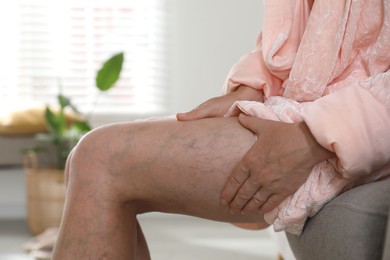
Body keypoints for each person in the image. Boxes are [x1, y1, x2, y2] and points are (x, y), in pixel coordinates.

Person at [52, 0, 390, 259]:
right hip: (305, 107)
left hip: (358, 127)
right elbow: (302, 38)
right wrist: (250, 88)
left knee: (99, 158)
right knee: (82, 162)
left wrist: (314, 138)